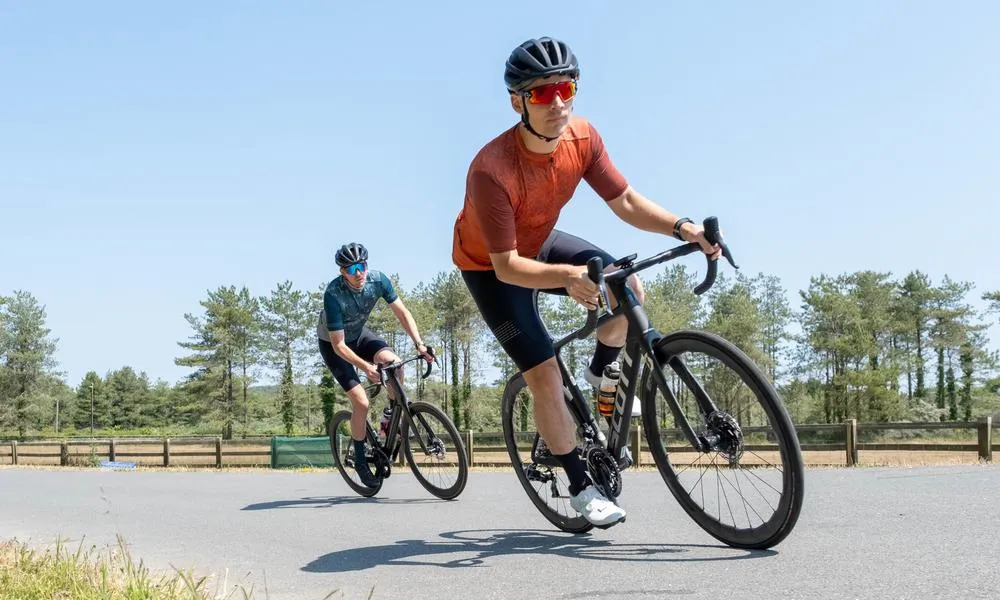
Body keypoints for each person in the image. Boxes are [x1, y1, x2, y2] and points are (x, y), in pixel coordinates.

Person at [450, 36, 721, 528]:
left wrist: (684, 228)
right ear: (518, 102)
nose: (556, 103)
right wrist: (570, 277)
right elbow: (508, 265)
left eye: (565, 88)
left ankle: (602, 371)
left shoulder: (584, 137)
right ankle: (579, 485)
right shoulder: (490, 170)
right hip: (491, 268)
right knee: (545, 373)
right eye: (540, 94)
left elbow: (627, 203)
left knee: (627, 287)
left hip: (541, 239)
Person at [318, 242, 433, 487]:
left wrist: (419, 344)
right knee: (361, 401)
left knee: (396, 365)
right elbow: (339, 346)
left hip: (359, 335)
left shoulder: (378, 281)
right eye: (351, 269)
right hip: (334, 345)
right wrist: (366, 368)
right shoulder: (333, 294)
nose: (358, 273)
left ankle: (389, 415)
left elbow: (402, 313)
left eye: (361, 266)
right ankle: (360, 460)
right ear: (342, 272)